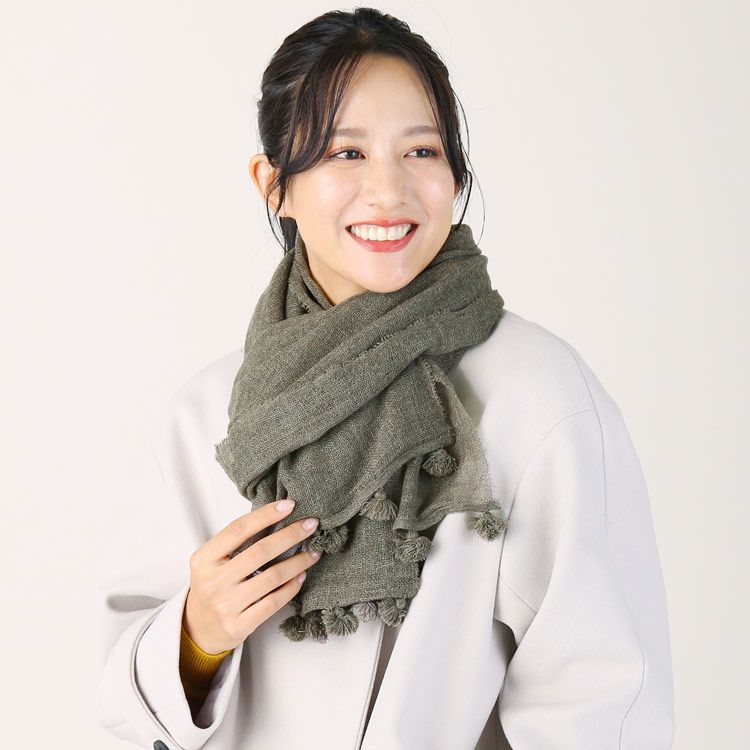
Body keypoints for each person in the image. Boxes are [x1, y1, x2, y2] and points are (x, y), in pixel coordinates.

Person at [95, 7, 675, 749]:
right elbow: (121, 699)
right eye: (345, 152)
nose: (388, 190)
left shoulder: (538, 396)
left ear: (456, 174)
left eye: (422, 150)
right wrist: (196, 634)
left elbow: (598, 701)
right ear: (273, 184)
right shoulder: (208, 414)